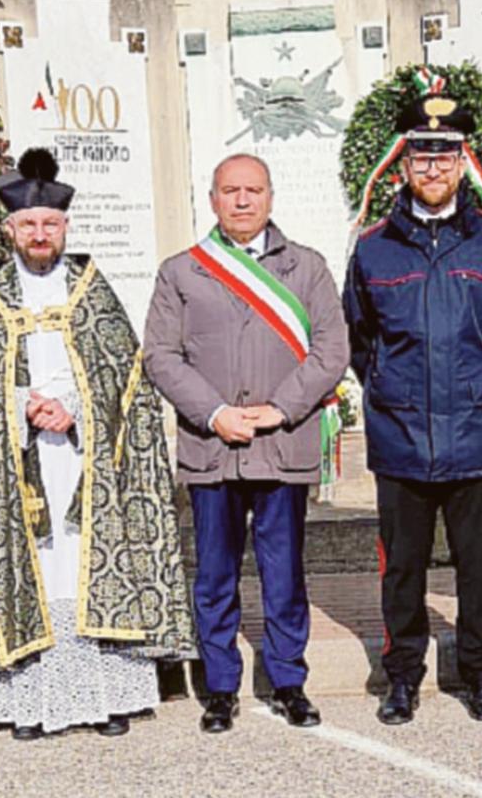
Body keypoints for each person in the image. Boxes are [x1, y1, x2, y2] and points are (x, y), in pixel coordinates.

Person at [0, 148, 196, 739]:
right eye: (28, 225)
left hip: (84, 460)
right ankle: (27, 703)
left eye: (50, 224)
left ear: (65, 227)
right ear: (10, 229)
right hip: (14, 464)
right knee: (34, 573)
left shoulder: (93, 291)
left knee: (84, 566)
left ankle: (109, 698)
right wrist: (20, 407)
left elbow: (125, 376)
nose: (40, 234)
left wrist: (73, 410)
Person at [343, 93, 482, 726]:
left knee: (479, 568)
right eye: (422, 158)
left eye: (446, 157)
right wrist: (394, 388)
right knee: (403, 571)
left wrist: (480, 386)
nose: (434, 171)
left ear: (462, 163)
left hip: (476, 436)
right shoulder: (374, 250)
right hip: (401, 438)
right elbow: (359, 338)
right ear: (404, 166)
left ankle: (481, 674)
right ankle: (402, 677)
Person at [143, 154, 350, 733]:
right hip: (213, 448)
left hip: (282, 444)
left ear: (270, 196)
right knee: (214, 574)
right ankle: (220, 687)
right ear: (212, 199)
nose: (241, 201)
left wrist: (281, 408)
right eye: (230, 191)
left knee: (284, 574)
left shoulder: (306, 268)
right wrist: (214, 413)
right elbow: (160, 354)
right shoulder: (182, 272)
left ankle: (289, 681)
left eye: (252, 190)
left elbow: (332, 350)